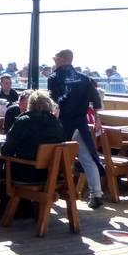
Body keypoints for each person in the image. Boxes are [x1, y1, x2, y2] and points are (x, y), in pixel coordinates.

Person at [0, 90, 65, 204]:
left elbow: (6, 151)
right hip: (49, 174)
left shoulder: (24, 121)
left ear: (30, 104)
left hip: (26, 175)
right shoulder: (57, 124)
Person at [49, 49, 105, 208]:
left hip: (63, 124)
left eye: (55, 58)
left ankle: (50, 190)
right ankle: (96, 194)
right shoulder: (85, 78)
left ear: (61, 59)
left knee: (53, 158)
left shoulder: (54, 78)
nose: (54, 61)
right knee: (87, 158)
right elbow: (96, 100)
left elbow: (54, 103)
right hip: (80, 124)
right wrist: (97, 120)